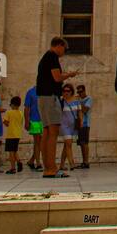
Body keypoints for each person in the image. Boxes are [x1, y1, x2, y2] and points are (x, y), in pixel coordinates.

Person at [37, 37, 80, 178]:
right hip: (51, 97)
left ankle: (47, 167)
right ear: (59, 46)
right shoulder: (52, 56)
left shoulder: (46, 57)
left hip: (43, 97)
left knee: (46, 131)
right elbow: (57, 78)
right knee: (53, 132)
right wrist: (69, 75)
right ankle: (51, 168)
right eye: (64, 49)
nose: (64, 52)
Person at [59, 85, 81, 171]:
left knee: (66, 145)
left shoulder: (76, 101)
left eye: (68, 91)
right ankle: (72, 163)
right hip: (64, 126)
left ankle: (61, 165)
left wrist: (81, 123)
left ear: (71, 91)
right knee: (69, 144)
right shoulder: (61, 101)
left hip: (73, 126)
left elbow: (79, 112)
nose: (66, 92)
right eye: (64, 91)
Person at [23, 85, 43, 171]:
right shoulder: (30, 92)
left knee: (41, 142)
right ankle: (38, 163)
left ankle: (31, 161)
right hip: (34, 120)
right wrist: (27, 121)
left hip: (44, 120)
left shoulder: (46, 91)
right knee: (37, 141)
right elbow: (27, 108)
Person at [4, 94, 24, 173]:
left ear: (12, 104)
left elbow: (6, 123)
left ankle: (12, 168)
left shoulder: (9, 113)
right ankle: (19, 161)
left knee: (11, 152)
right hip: (18, 134)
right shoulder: (20, 113)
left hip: (10, 134)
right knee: (15, 150)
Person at [75, 83, 93, 169]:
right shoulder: (79, 100)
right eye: (78, 92)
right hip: (79, 124)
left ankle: (86, 162)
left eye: (81, 92)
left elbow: (85, 110)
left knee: (85, 143)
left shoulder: (88, 99)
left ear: (84, 90)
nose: (79, 94)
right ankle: (84, 161)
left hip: (85, 124)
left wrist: (78, 102)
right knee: (81, 143)